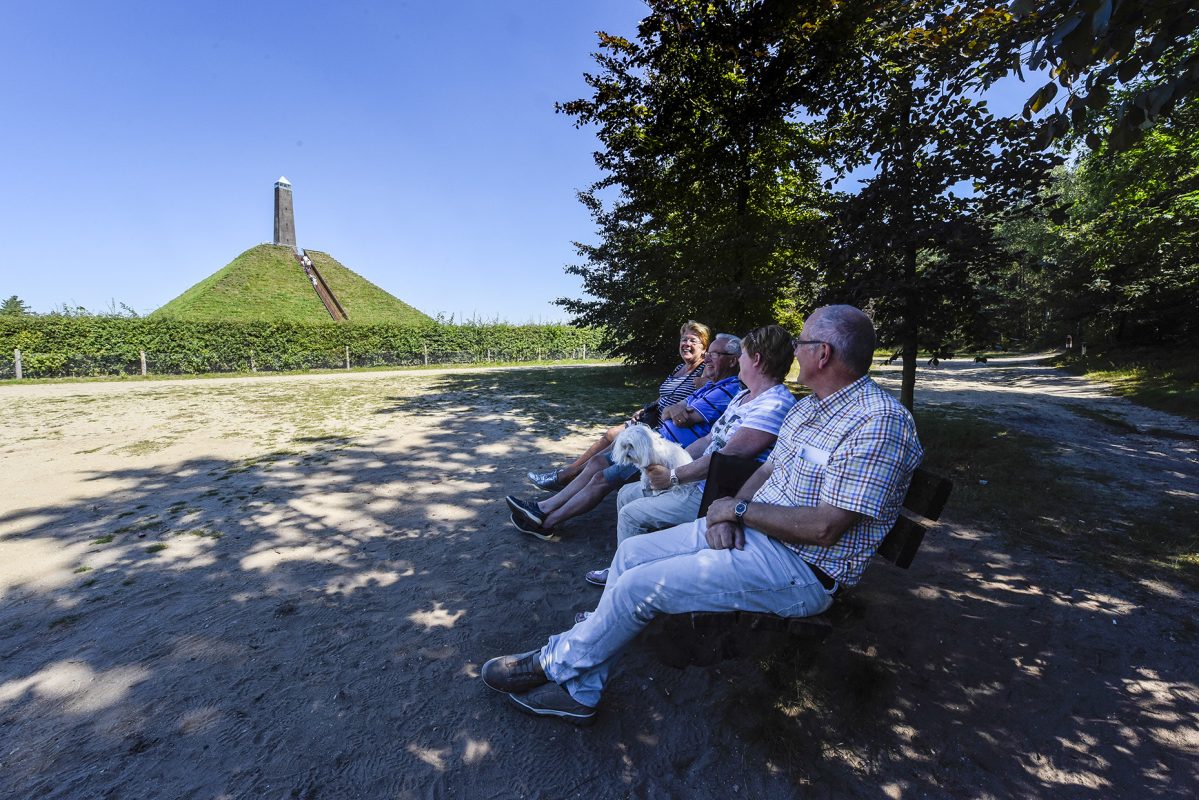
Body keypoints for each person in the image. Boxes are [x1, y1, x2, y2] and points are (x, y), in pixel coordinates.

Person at [480, 305, 924, 726]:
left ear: (822, 353)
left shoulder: (878, 422)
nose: (794, 348)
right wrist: (729, 517)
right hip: (756, 534)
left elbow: (826, 528)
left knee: (638, 585)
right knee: (632, 552)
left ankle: (556, 662)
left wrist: (738, 509)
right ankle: (583, 685)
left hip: (802, 568)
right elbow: (769, 468)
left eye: (801, 340)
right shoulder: (810, 407)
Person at [506, 334, 744, 540]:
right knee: (599, 461)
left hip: (662, 451)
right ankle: (542, 507)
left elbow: (681, 418)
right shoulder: (708, 386)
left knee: (601, 478)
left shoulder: (728, 389)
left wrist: (677, 411)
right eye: (709, 352)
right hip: (652, 437)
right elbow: (671, 411)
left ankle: (545, 523)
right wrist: (674, 410)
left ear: (733, 361)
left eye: (715, 353)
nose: (709, 358)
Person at [526, 321, 710, 491]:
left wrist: (705, 381)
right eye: (684, 339)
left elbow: (706, 393)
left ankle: (568, 475)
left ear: (704, 349)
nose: (686, 343)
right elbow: (665, 396)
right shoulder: (678, 368)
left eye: (693, 340)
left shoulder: (705, 370)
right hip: (652, 417)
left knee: (610, 446)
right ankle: (570, 472)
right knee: (610, 433)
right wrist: (647, 407)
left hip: (660, 429)